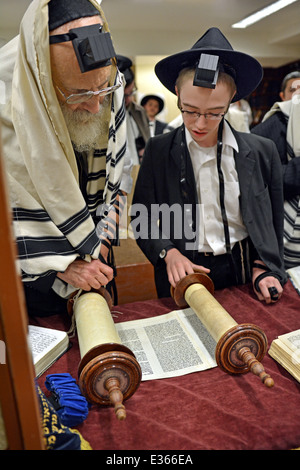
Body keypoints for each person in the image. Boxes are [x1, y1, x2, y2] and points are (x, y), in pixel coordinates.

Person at [131, 27, 287, 304]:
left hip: (245, 269)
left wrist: (267, 267)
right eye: (189, 110)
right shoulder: (159, 150)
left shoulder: (263, 151)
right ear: (177, 93)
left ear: (232, 99)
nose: (200, 124)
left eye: (215, 113)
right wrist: (168, 252)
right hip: (184, 269)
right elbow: (141, 218)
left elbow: (273, 219)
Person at [0, 0, 132, 316]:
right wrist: (59, 264)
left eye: (103, 89)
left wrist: (114, 206)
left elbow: (118, 170)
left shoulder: (107, 85)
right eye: (79, 95)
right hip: (31, 289)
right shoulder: (9, 103)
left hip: (97, 263)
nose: (96, 107)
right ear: (43, 87)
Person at [251, 72, 300, 268]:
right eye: (294, 89)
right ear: (283, 96)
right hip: (280, 228)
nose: (299, 93)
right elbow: (263, 178)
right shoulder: (270, 127)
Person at [116, 55, 150, 164]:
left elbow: (144, 141)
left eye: (131, 93)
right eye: (123, 95)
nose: (128, 99)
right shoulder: (104, 115)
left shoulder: (139, 111)